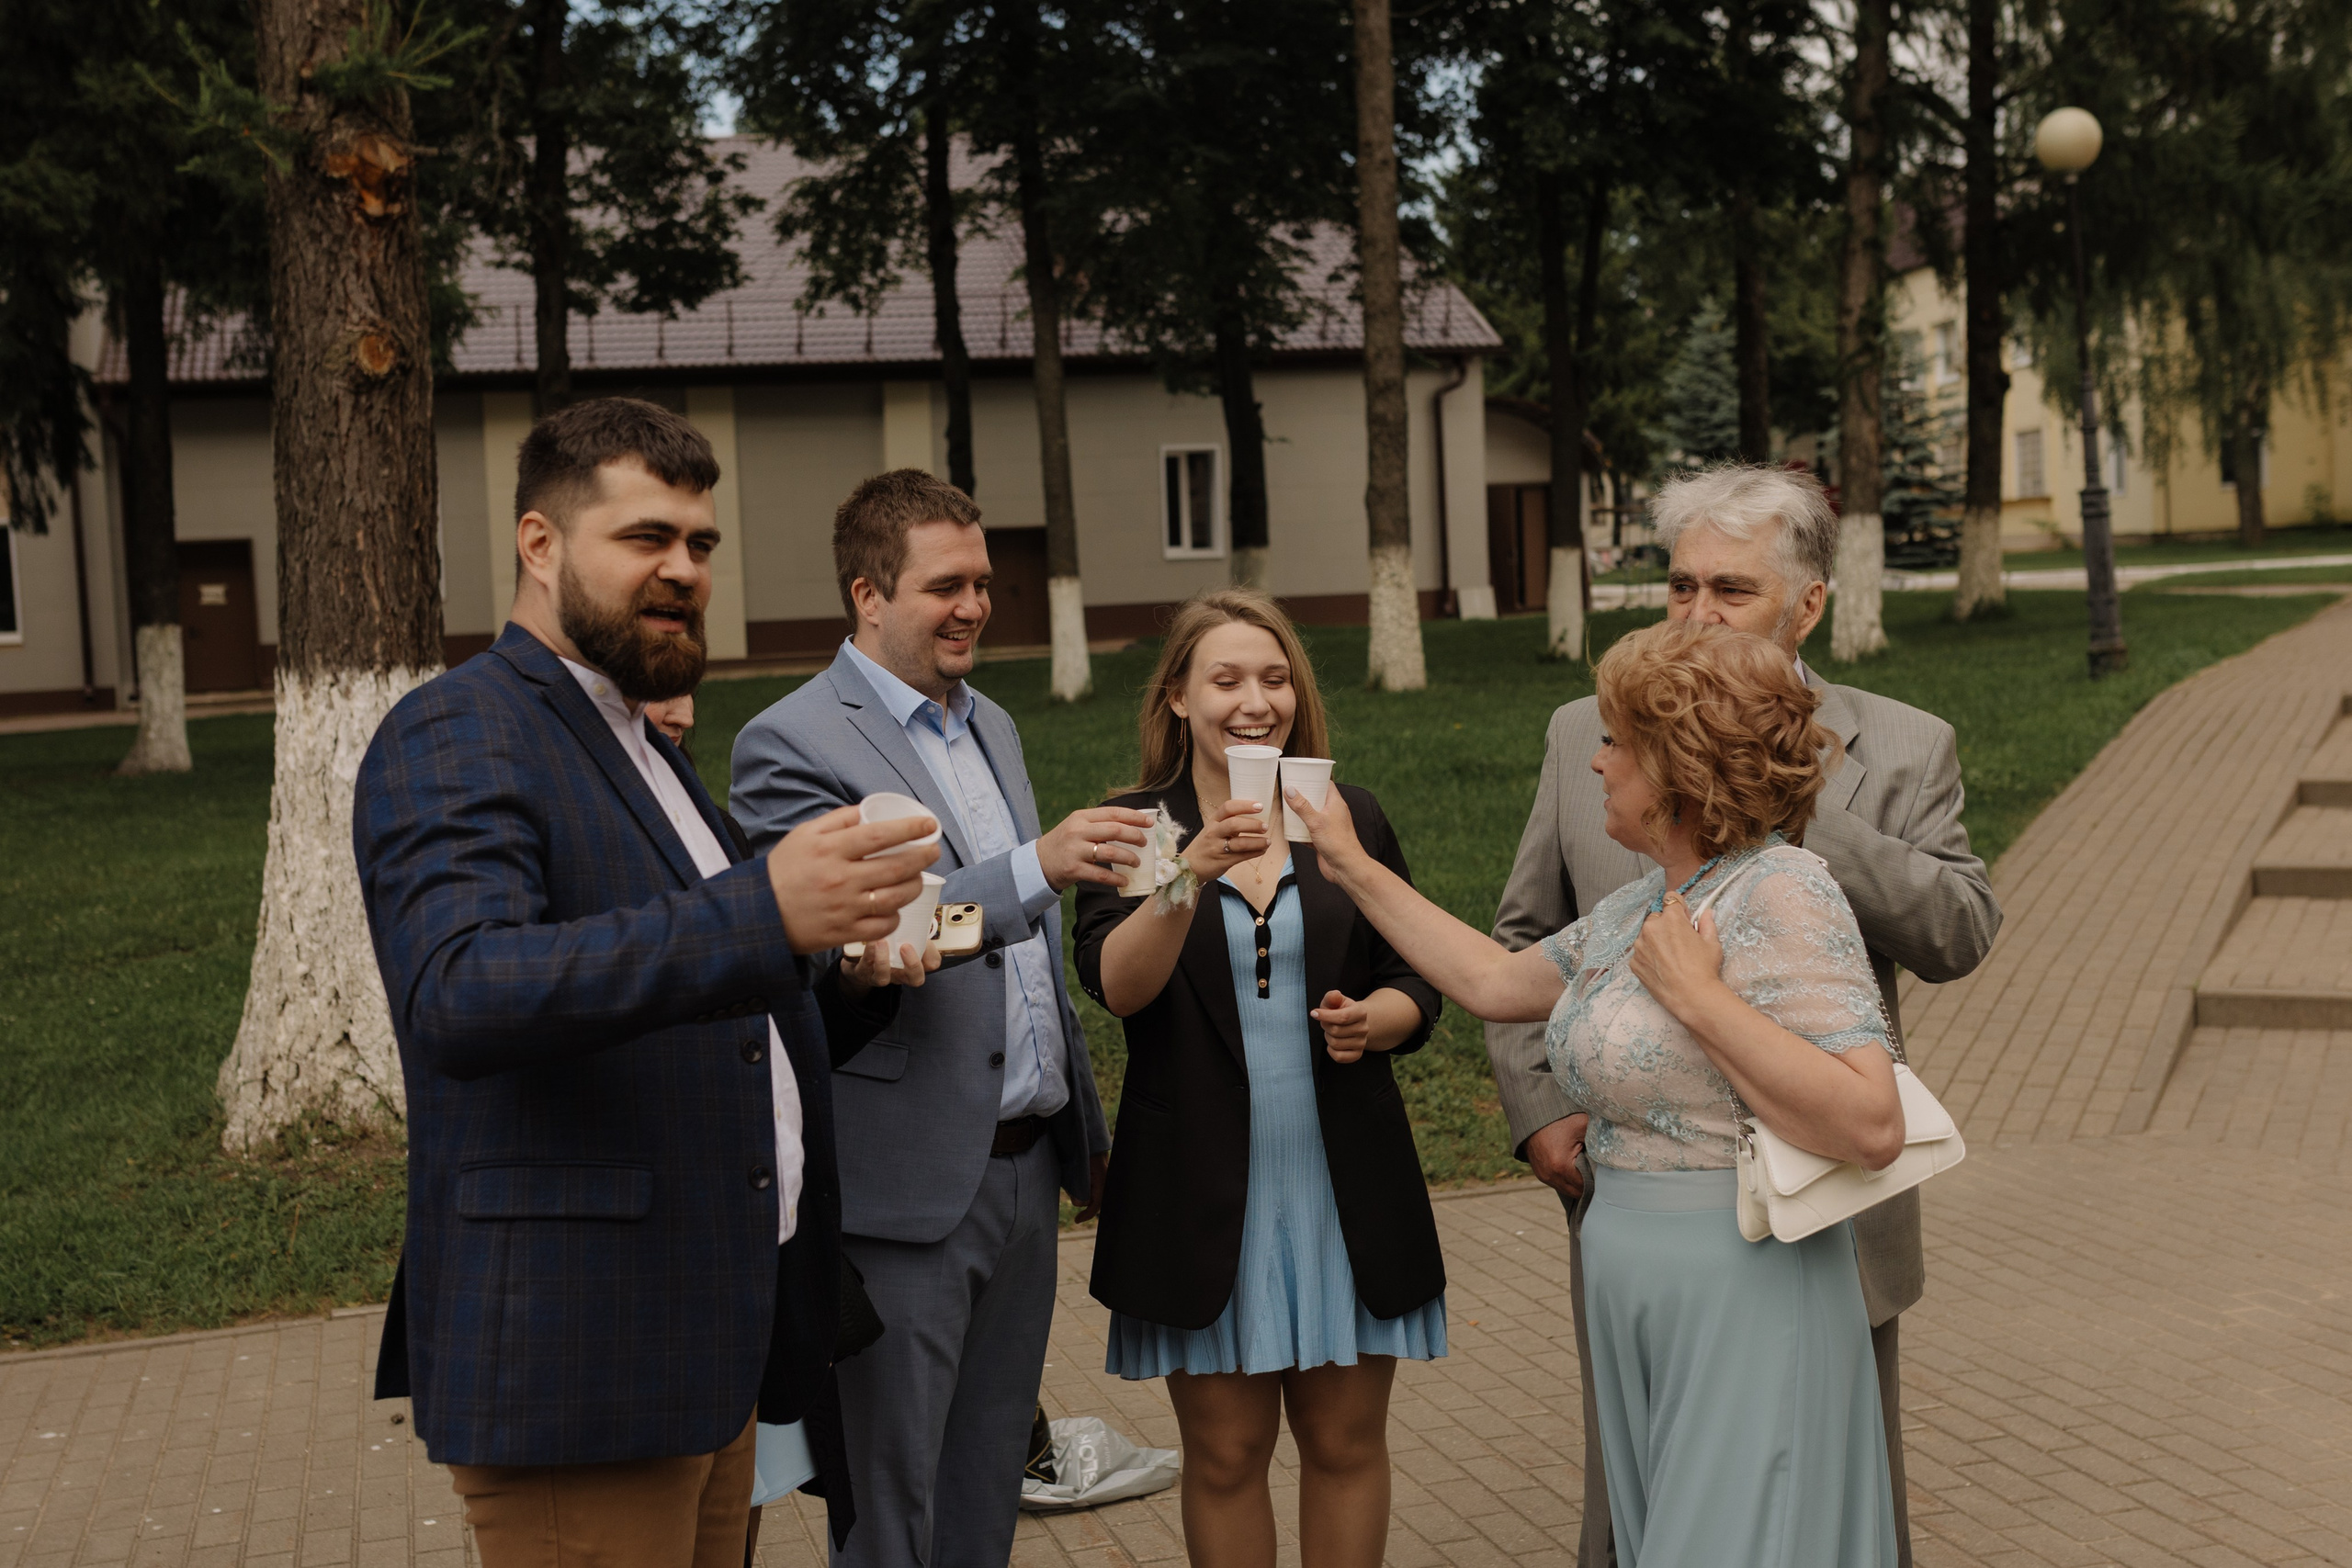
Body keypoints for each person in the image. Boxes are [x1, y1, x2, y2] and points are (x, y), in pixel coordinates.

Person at [356, 398, 940, 1568]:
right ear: (539, 544)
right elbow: (460, 991)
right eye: (644, 540)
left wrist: (848, 969)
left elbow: (711, 984)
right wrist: (761, 906)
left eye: (701, 545)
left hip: (706, 1338)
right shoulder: (458, 729)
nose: (682, 571)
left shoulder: (635, 742)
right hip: (586, 1358)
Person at [1293, 617, 1907, 1568]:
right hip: (1632, 1284)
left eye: (1616, 740)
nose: (1597, 763)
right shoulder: (1643, 902)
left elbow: (1870, 1122)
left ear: (1679, 762)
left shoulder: (1783, 891)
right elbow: (1495, 985)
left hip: (1740, 1289)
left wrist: (1700, 1000)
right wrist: (1349, 863)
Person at [1486, 461, 2002, 1567]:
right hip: (1643, 1208)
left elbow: (1959, 930)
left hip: (1821, 1205)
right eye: (1679, 587)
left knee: (1828, 1499)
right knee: (1635, 1503)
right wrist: (1537, 1110)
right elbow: (1524, 936)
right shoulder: (1588, 732)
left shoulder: (1902, 744)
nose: (1697, 615)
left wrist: (1795, 796)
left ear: (1807, 604)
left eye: (1732, 591)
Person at [727, 469, 1148, 1568]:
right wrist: (1036, 866)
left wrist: (1082, 1128)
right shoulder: (789, 743)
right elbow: (860, 936)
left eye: (984, 584)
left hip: (1021, 1170)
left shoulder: (991, 723)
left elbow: (1037, 976)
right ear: (867, 595)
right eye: (944, 586)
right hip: (902, 1194)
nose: (973, 607)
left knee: (985, 1485)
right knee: (890, 1505)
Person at [1073, 589, 1446, 1568]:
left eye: (1274, 678)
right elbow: (1118, 988)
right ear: (1178, 699)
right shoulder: (1131, 825)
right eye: (1227, 679)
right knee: (1229, 1454)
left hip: (1343, 1186)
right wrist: (1184, 871)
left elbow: (1417, 972)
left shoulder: (1343, 813)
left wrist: (1383, 1019)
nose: (1256, 700)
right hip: (1197, 1191)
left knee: (1343, 1443)